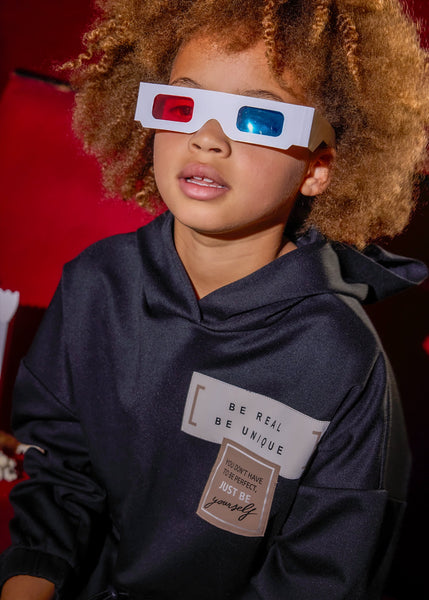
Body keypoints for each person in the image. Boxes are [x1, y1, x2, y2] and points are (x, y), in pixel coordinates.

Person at [0, 0, 428, 598]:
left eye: (258, 119)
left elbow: (323, 573)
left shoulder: (342, 360)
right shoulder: (96, 285)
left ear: (316, 167)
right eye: (182, 106)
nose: (206, 139)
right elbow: (58, 476)